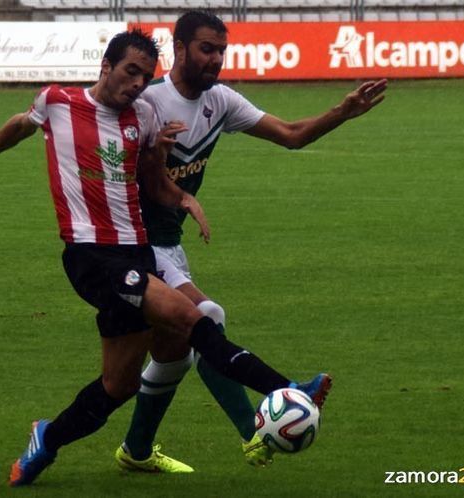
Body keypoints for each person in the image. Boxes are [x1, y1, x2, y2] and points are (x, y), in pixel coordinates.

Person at [0, 29, 332, 487]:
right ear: (105, 67)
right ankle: (287, 388)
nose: (136, 84)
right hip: (92, 256)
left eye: (144, 76)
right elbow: (20, 124)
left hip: (136, 252)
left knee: (118, 385)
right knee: (192, 318)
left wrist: (183, 198)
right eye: (130, 72)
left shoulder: (143, 116)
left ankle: (47, 438)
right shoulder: (57, 102)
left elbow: (153, 182)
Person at [115, 11, 387, 472]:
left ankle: (136, 452)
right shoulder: (149, 103)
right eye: (206, 48)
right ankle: (255, 429)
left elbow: (291, 135)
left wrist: (343, 112)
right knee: (204, 318)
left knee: (174, 354)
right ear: (179, 49)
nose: (216, 59)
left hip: (168, 245)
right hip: (133, 246)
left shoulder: (219, 101)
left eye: (221, 50)